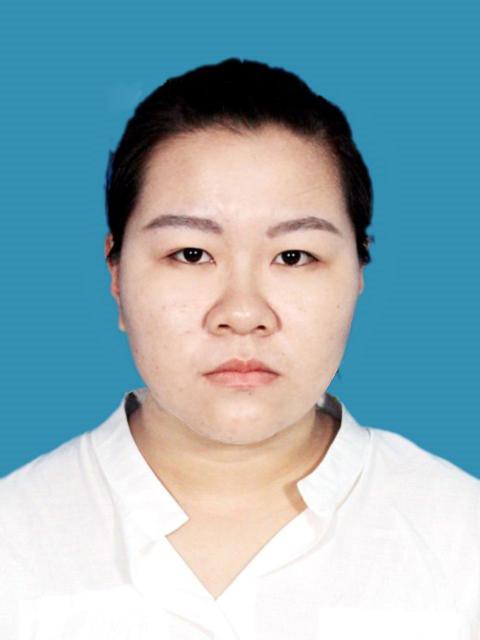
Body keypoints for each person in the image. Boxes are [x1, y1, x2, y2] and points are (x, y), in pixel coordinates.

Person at [0, 58, 478, 639]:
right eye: (191, 254)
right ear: (117, 274)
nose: (244, 313)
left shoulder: (462, 539)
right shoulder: (14, 542)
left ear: (358, 273)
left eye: (294, 256)